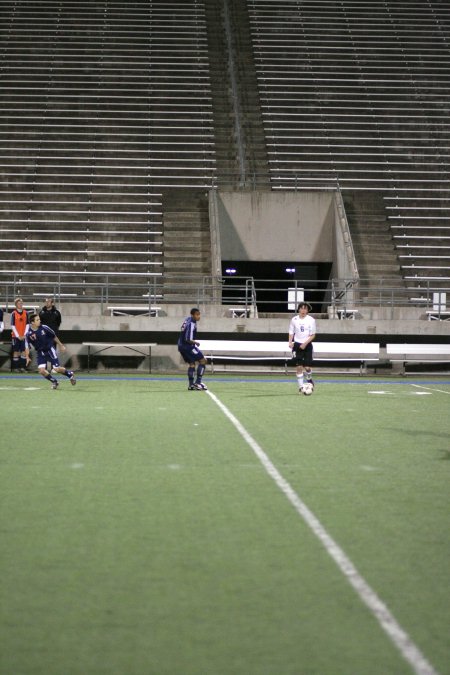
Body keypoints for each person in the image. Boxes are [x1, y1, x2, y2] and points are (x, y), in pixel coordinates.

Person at [24, 313, 76, 390]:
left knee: (56, 369)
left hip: (50, 350)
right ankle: (55, 382)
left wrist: (60, 345)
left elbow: (54, 336)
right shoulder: (28, 334)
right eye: (37, 320)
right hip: (40, 353)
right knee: (41, 370)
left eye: (39, 319)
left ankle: (70, 374)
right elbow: (26, 346)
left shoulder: (44, 328)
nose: (39, 321)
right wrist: (27, 356)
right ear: (32, 322)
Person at [288, 301, 316, 394]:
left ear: (307, 310)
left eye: (305, 309)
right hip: (297, 345)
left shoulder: (311, 320)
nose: (303, 310)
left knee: (307, 367)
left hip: (307, 345)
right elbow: (291, 332)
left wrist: (305, 344)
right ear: (299, 309)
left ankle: (309, 378)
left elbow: (313, 335)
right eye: (301, 308)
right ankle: (301, 387)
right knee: (299, 366)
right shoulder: (294, 319)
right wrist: (290, 342)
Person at [177, 307, 208, 390]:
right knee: (203, 361)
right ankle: (198, 383)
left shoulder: (188, 320)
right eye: (197, 315)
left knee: (192, 364)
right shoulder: (191, 323)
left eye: (199, 314)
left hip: (181, 346)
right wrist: (196, 342)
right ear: (192, 315)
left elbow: (182, 330)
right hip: (187, 346)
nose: (199, 316)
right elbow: (188, 339)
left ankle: (191, 385)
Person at [10, 297, 29, 372]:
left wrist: (24, 335)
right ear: (16, 305)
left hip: (24, 336)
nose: (20, 304)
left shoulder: (26, 313)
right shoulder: (13, 313)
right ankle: (15, 368)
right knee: (16, 352)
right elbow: (12, 325)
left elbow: (27, 325)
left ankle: (22, 367)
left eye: (21, 303)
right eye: (19, 303)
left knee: (24, 351)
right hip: (15, 336)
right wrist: (18, 336)